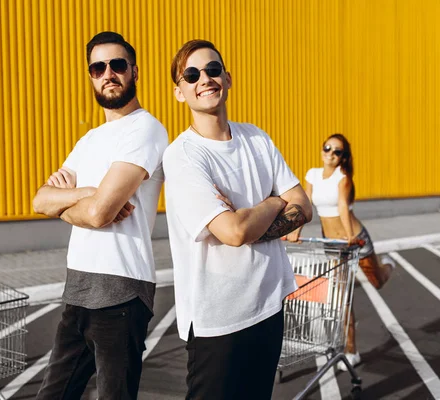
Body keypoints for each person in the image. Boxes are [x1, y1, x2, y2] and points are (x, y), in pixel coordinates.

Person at [163, 39, 312, 400]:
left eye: (213, 70)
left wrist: (254, 216)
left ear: (227, 78)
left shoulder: (256, 138)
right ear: (179, 92)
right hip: (218, 322)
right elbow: (233, 232)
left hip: (268, 306)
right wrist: (276, 201)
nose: (205, 79)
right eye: (192, 74)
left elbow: (304, 207)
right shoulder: (183, 156)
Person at [32, 31, 168, 400]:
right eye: (98, 67)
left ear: (134, 72)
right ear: (91, 75)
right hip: (77, 285)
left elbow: (99, 215)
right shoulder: (88, 140)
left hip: (122, 289)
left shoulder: (146, 129)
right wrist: (90, 193)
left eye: (117, 65)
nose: (108, 73)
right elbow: (40, 201)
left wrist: (74, 203)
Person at [286, 133, 395, 370]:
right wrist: (295, 231)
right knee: (343, 297)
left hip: (354, 239)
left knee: (377, 282)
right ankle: (351, 350)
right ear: (322, 149)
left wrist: (349, 236)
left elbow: (343, 208)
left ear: (343, 158)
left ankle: (387, 266)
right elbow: (305, 204)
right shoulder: (312, 175)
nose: (331, 154)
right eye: (328, 148)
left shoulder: (342, 178)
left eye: (338, 152)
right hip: (331, 244)